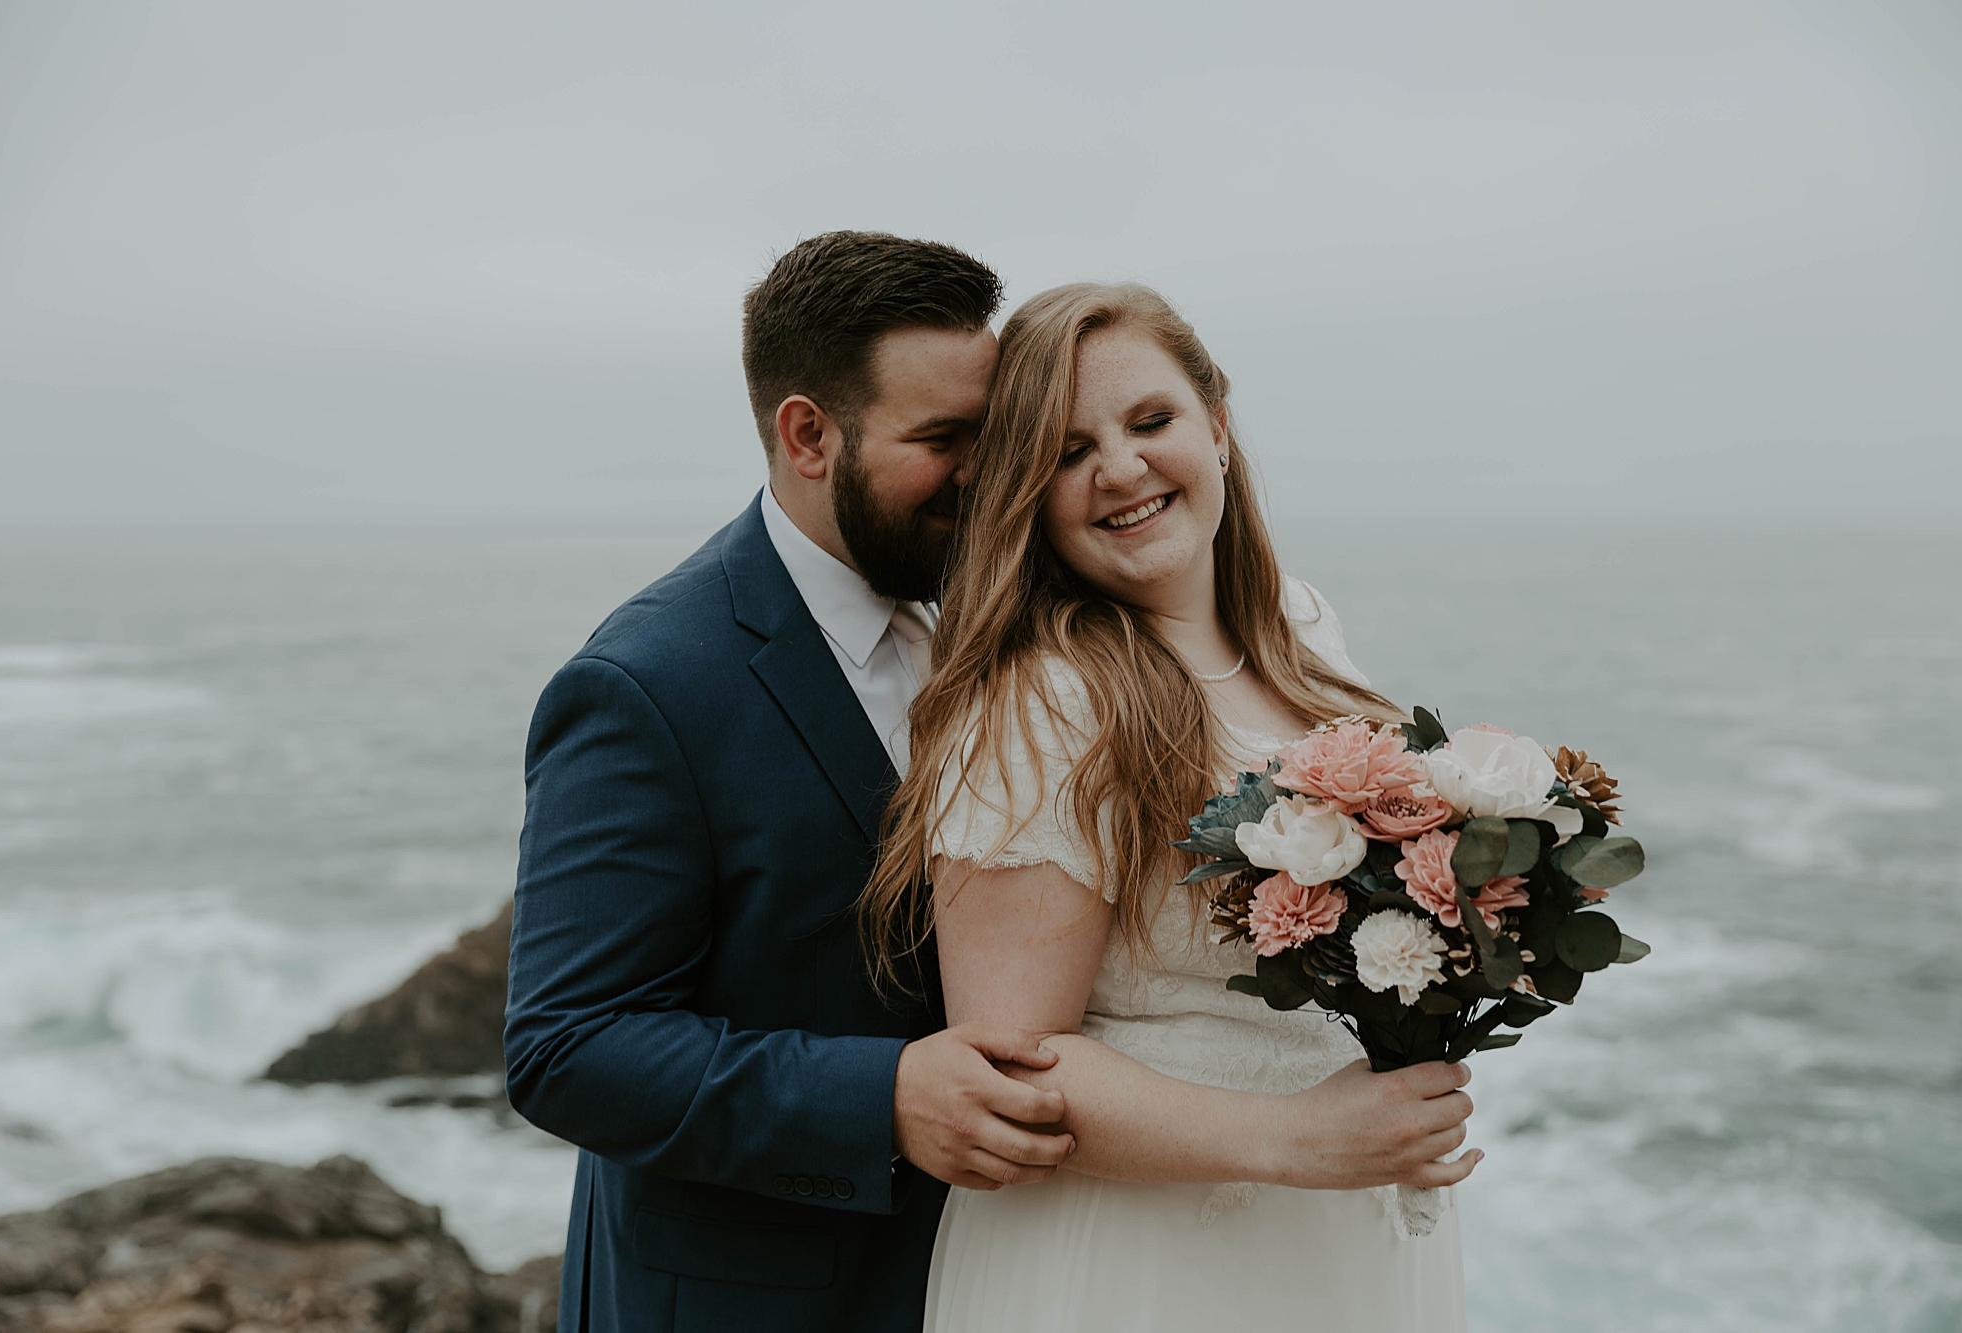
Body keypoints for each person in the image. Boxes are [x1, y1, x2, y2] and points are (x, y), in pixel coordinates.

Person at [862, 283, 1479, 1331]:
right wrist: (1295, 1140)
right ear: (1026, 491)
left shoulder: (1301, 632)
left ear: (1219, 428)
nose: (1120, 468)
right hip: (1140, 1268)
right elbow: (1006, 1066)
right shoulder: (1045, 702)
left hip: (1344, 1247)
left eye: (1150, 421)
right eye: (1065, 451)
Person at [503, 232, 1079, 1333]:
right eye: (943, 438)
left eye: (996, 435)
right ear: (807, 434)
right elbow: (567, 1044)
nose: (987, 473)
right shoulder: (647, 684)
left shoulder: (1005, 613)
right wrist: (885, 1098)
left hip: (994, 1279)